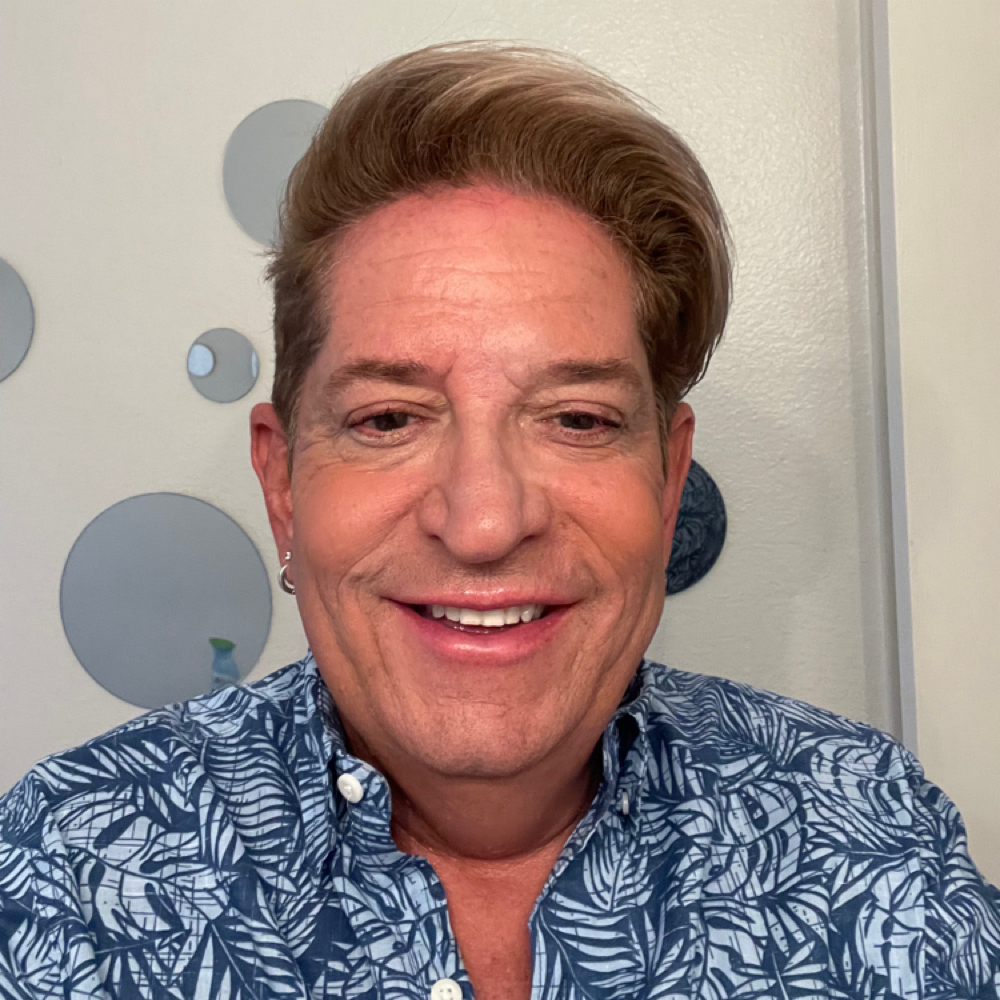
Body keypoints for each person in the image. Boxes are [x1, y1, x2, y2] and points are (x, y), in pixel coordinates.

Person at [1, 41, 998, 1000]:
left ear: (666, 481)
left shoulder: (865, 829)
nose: (482, 523)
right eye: (388, 419)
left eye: (577, 420)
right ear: (283, 485)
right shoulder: (67, 873)